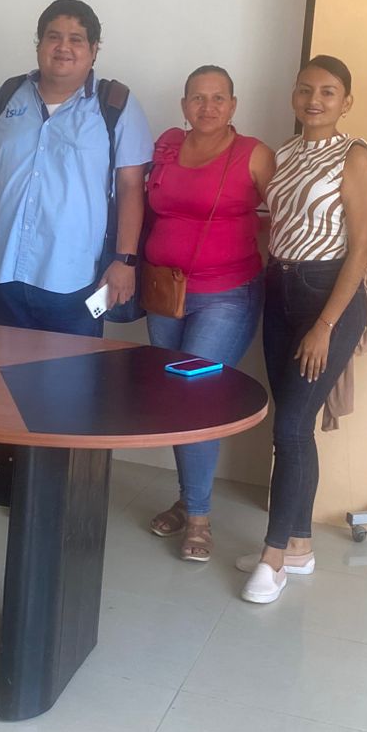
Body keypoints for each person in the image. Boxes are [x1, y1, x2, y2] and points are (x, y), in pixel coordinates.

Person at [237, 55, 367, 605]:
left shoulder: (354, 155)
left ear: (347, 101)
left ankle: (272, 558)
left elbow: (361, 250)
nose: (314, 100)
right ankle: (299, 545)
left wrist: (325, 326)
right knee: (295, 425)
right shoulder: (287, 153)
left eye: (327, 91)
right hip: (281, 290)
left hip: (328, 297)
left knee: (290, 428)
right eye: (305, 90)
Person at [143, 66, 274, 562]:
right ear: (184, 105)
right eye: (198, 98)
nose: (208, 107)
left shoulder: (253, 154)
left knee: (193, 395)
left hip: (227, 295)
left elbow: (285, 217)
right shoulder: (167, 146)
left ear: (234, 105)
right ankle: (186, 500)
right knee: (178, 401)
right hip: (165, 293)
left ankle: (198, 517)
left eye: (219, 98)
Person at [0, 0, 151, 336]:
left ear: (94, 50)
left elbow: (130, 187)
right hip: (8, 270)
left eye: (76, 39)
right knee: (5, 368)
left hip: (76, 279)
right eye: (53, 37)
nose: (63, 47)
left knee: (71, 369)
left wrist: (125, 261)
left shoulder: (115, 104)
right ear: (39, 44)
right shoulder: (6, 96)